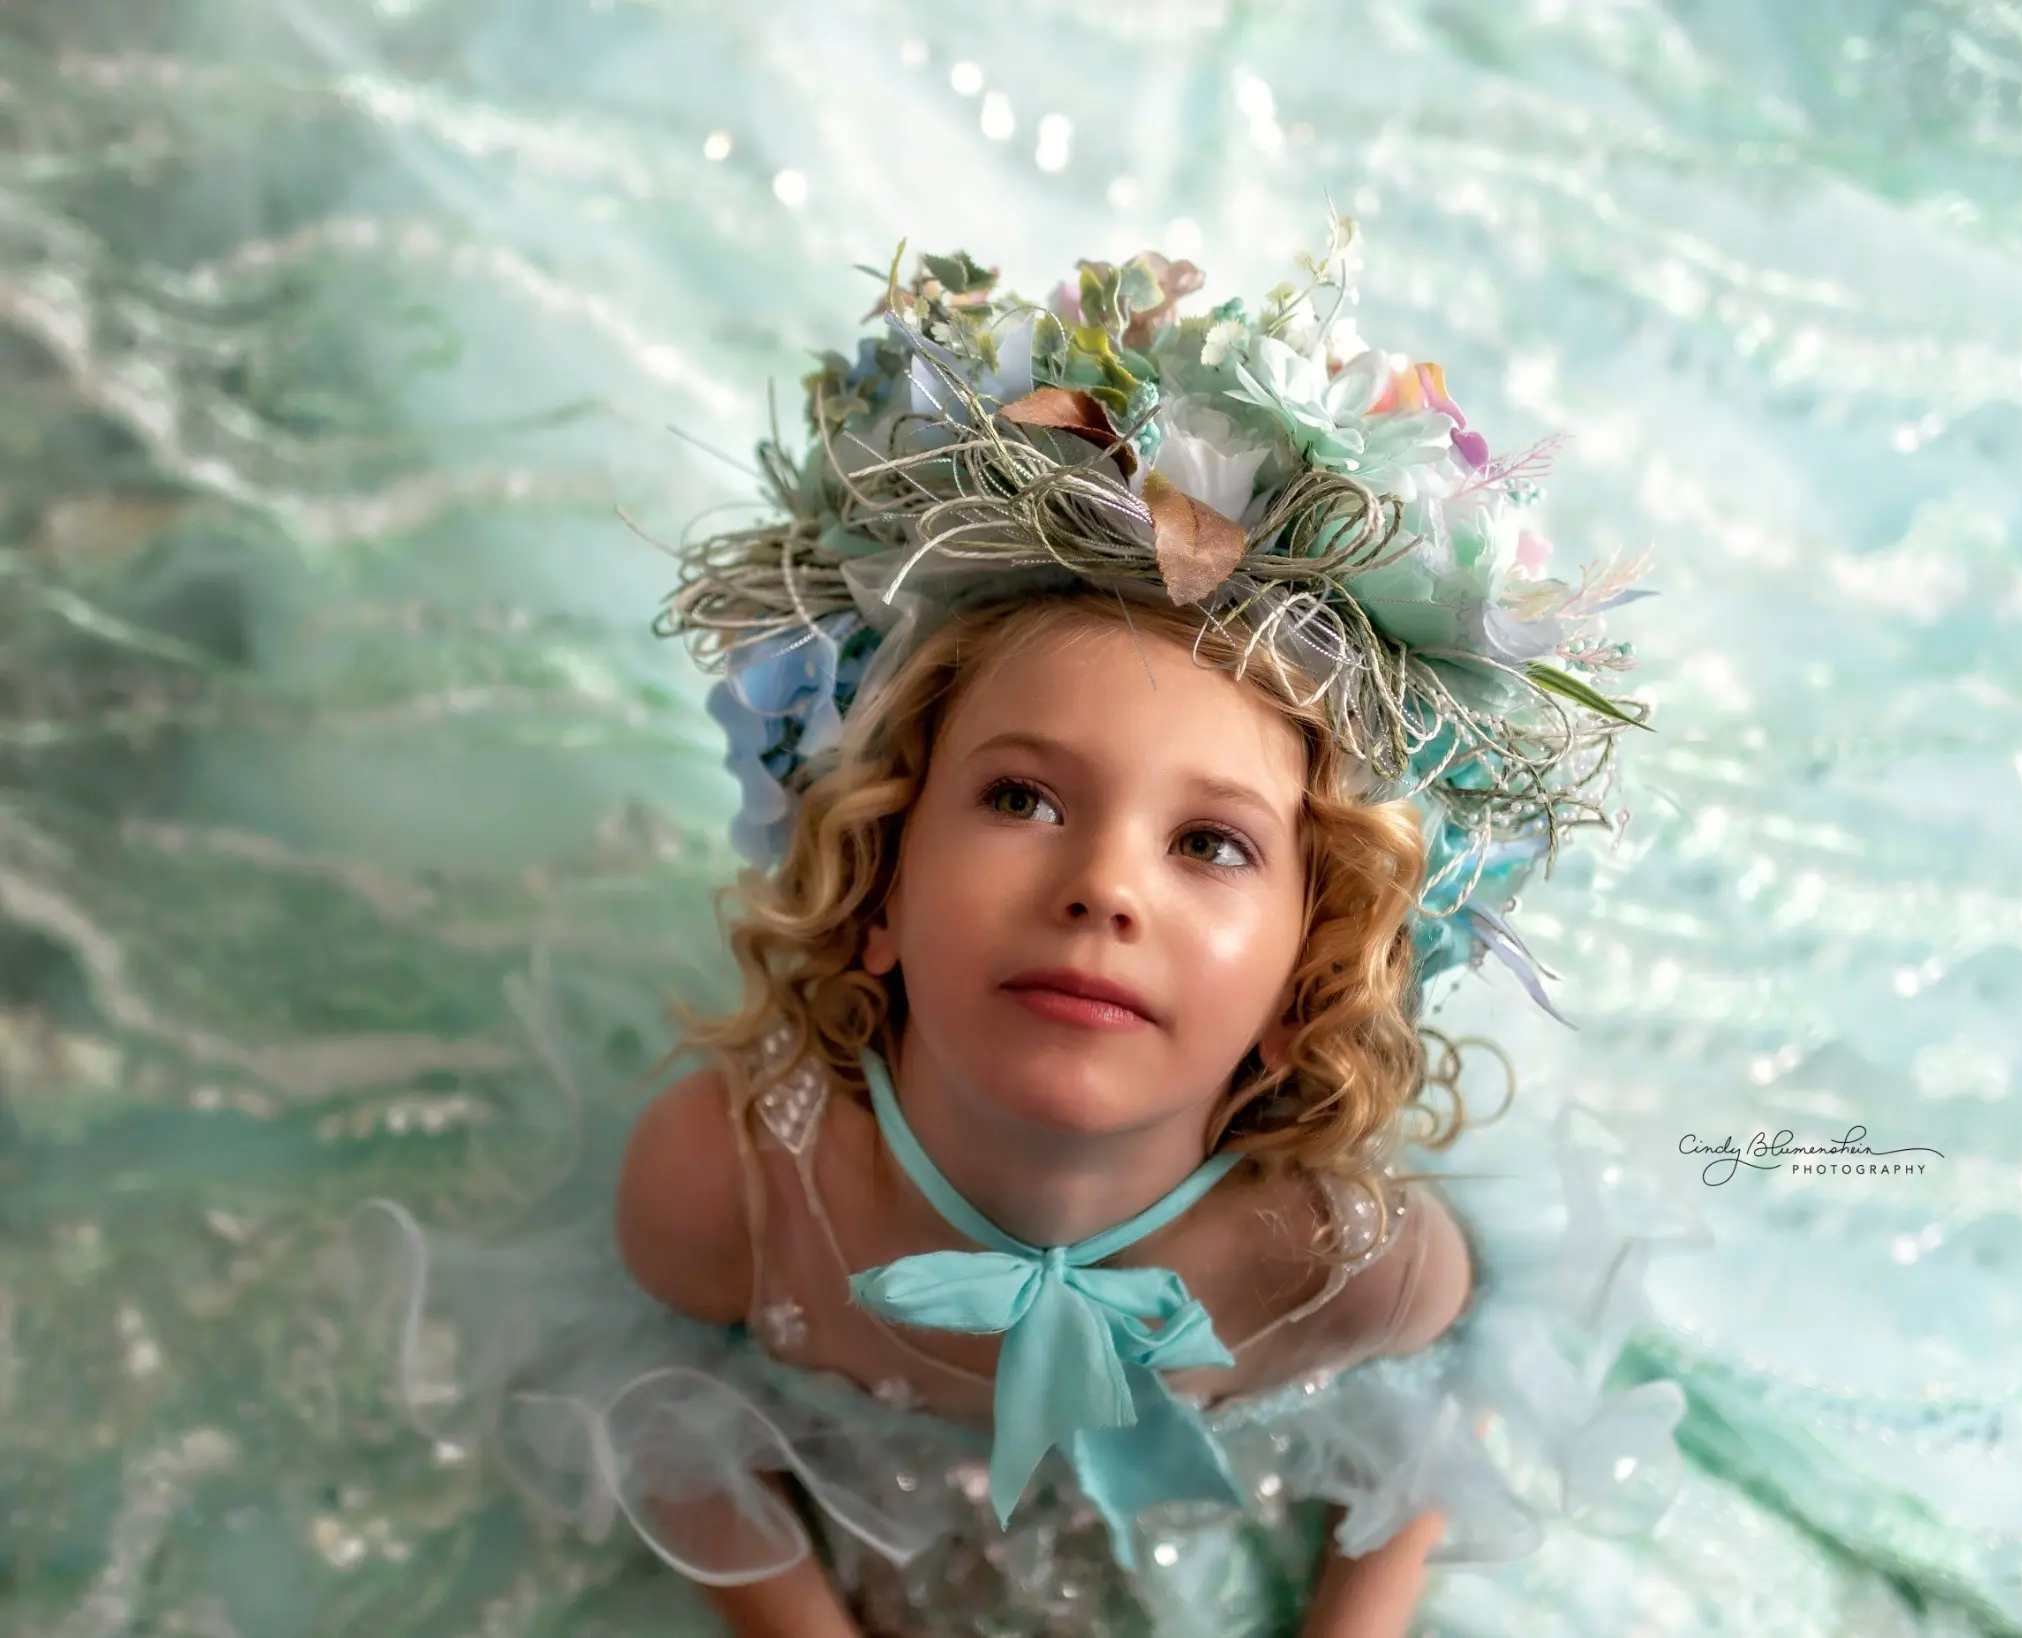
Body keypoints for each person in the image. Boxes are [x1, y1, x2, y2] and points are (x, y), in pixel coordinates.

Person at [357, 219, 1697, 1638]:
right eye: (1021, 795)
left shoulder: (1340, 1258)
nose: (1106, 887)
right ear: (876, 890)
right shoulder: (734, 1190)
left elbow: (1433, 1417)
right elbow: (681, 1436)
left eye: (1209, 843)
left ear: (1304, 986)